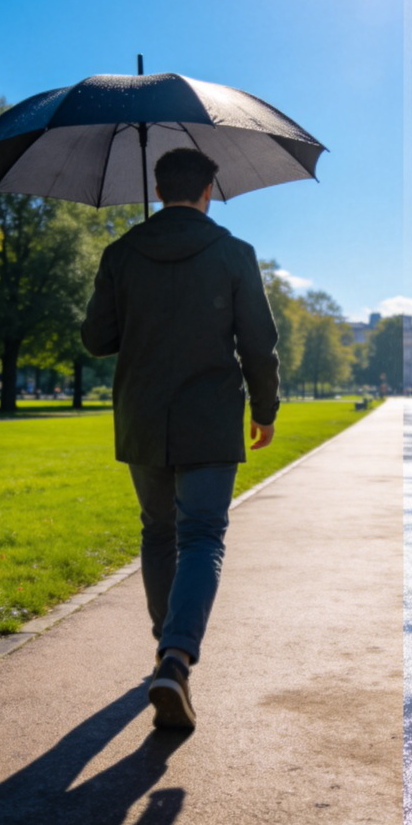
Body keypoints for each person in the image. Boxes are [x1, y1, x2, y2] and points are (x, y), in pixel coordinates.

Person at [81, 147, 280, 731]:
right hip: (211, 418)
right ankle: (177, 655)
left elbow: (97, 338)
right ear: (208, 190)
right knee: (201, 538)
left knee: (159, 533)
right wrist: (264, 410)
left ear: (159, 187)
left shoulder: (121, 253)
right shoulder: (234, 253)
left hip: (144, 416)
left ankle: (165, 648)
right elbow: (258, 344)